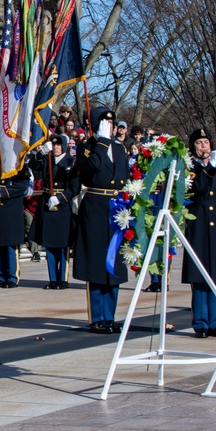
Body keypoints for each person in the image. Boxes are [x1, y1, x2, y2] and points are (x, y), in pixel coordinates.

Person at [73, 106, 129, 333]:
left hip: (117, 209)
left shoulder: (120, 148)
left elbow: (123, 176)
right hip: (96, 209)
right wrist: (102, 142)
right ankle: (97, 317)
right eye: (106, 124)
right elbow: (92, 168)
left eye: (112, 124)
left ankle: (110, 315)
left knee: (114, 263)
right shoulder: (86, 148)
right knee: (97, 264)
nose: (111, 127)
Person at [182, 128, 216, 338]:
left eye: (206, 142)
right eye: (199, 143)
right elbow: (199, 188)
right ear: (193, 147)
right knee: (200, 276)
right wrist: (211, 167)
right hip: (201, 223)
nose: (203, 146)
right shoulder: (192, 167)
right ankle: (201, 323)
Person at [29, 136, 79, 289]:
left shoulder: (71, 162)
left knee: (62, 244)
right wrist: (41, 154)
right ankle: (53, 279)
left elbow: (74, 187)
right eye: (54, 145)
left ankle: (62, 279)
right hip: (47, 204)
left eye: (58, 145)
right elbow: (33, 165)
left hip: (62, 206)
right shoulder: (47, 160)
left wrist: (60, 198)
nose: (56, 147)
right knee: (49, 244)